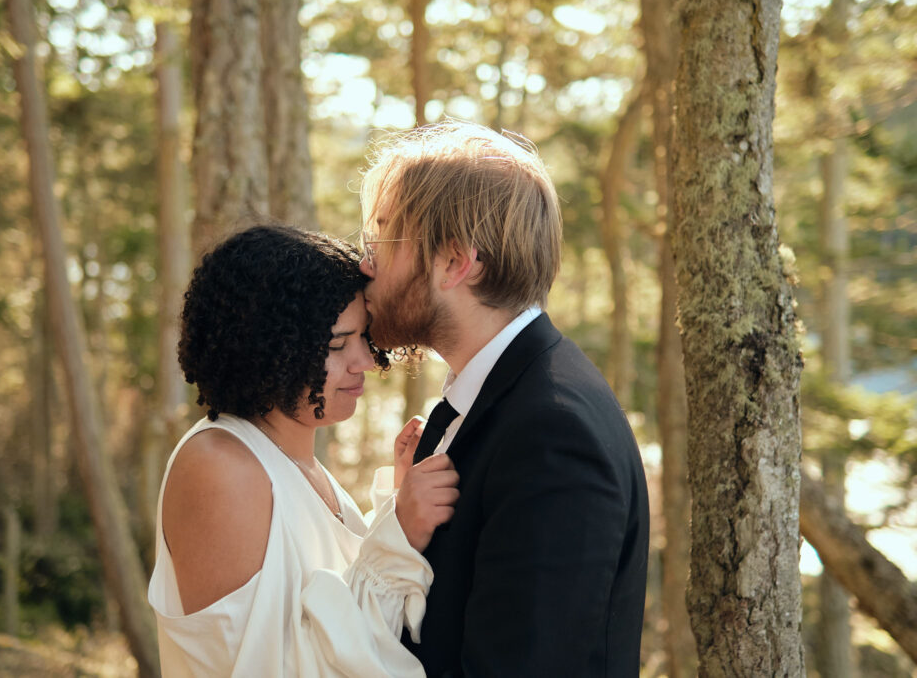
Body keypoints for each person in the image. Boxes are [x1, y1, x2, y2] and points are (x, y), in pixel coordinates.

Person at [357, 122, 650, 676]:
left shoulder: (555, 432)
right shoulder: (498, 401)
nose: (367, 262)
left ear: (454, 263)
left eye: (385, 237)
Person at [148, 224, 460, 676]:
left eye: (363, 337)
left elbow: (324, 611)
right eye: (337, 344)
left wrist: (397, 499)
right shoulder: (220, 468)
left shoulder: (298, 465)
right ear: (269, 348)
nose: (366, 362)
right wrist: (400, 534)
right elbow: (273, 667)